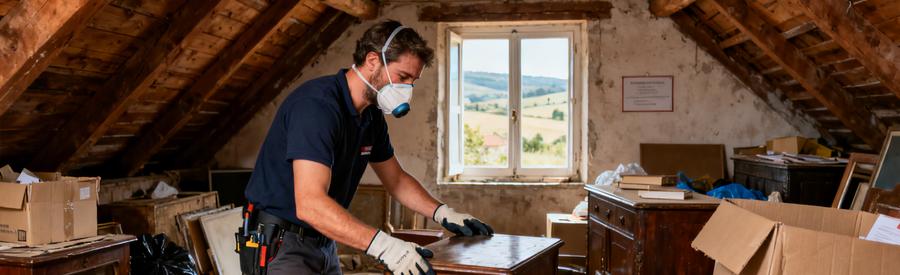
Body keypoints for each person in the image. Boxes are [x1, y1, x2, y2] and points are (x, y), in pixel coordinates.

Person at [238, 20, 494, 275]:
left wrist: (443, 212)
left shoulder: (371, 116)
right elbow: (310, 204)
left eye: (412, 82)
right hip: (284, 243)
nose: (406, 89)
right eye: (402, 77)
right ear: (373, 61)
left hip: (324, 242)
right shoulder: (316, 107)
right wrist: (386, 247)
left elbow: (396, 180)